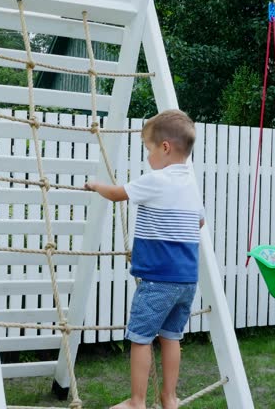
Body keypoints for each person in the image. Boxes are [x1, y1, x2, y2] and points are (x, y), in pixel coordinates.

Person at [85, 109, 204, 409]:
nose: (148, 157)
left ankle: (137, 401)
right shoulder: (190, 184)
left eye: (149, 149)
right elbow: (199, 222)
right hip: (186, 280)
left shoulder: (157, 180)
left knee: (140, 338)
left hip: (157, 280)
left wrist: (96, 185)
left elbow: (116, 194)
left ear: (165, 147)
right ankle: (170, 397)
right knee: (171, 337)